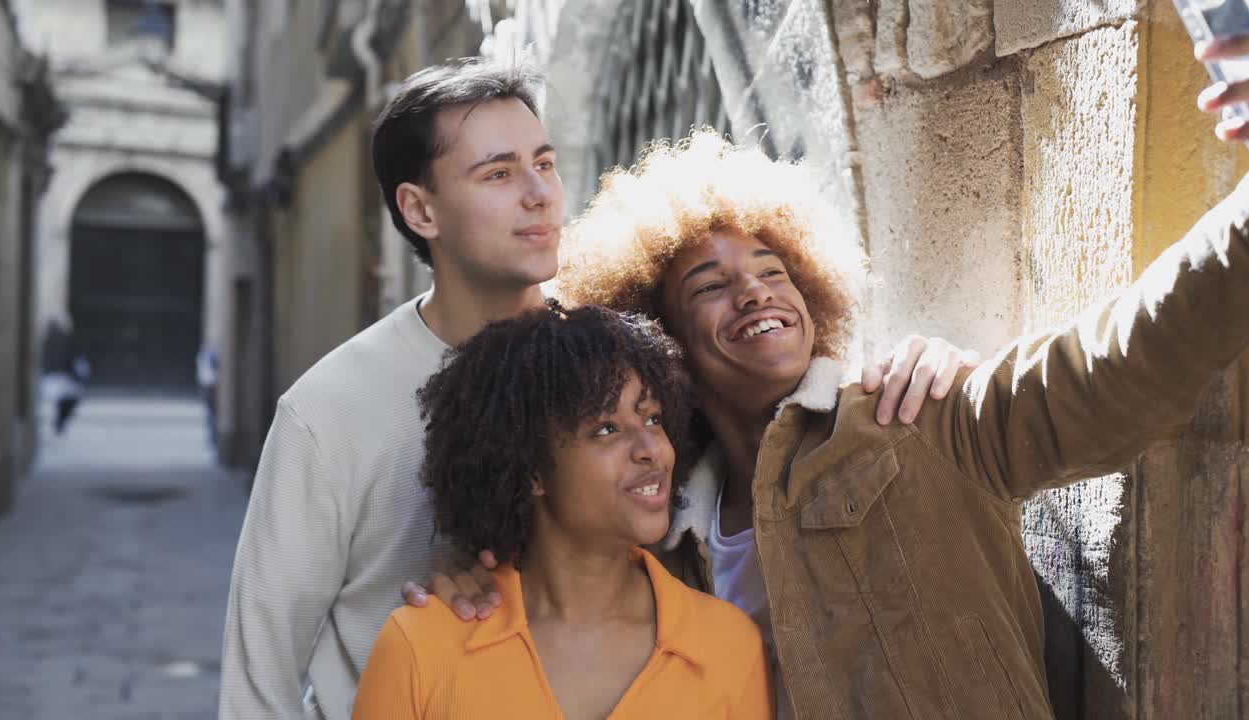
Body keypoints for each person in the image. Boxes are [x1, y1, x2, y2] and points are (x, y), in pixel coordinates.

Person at [420, 38, 1249, 720]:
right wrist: (472, 578)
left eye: (772, 268)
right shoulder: (659, 534)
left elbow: (1122, 362)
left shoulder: (919, 417)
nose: (755, 290)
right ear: (661, 343)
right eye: (710, 286)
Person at [219, 58, 955, 720]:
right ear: (420, 210)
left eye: (545, 163)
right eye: (499, 174)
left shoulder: (619, 358)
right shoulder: (328, 413)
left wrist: (912, 366)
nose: (540, 195)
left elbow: (769, 376)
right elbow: (258, 684)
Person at [354, 304, 773, 719]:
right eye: (606, 429)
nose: (652, 450)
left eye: (652, 419)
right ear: (531, 468)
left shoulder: (730, 648)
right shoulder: (421, 646)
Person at [41, 317, 88, 435]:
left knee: (65, 400)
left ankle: (59, 422)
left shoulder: (51, 339)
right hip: (59, 376)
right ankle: (59, 422)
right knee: (67, 399)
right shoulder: (61, 339)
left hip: (56, 376)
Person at [196, 344, 219, 447]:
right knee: (212, 412)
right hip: (211, 386)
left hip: (208, 385)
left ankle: (212, 436)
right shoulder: (207, 356)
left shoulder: (204, 356)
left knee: (211, 413)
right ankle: (212, 436)